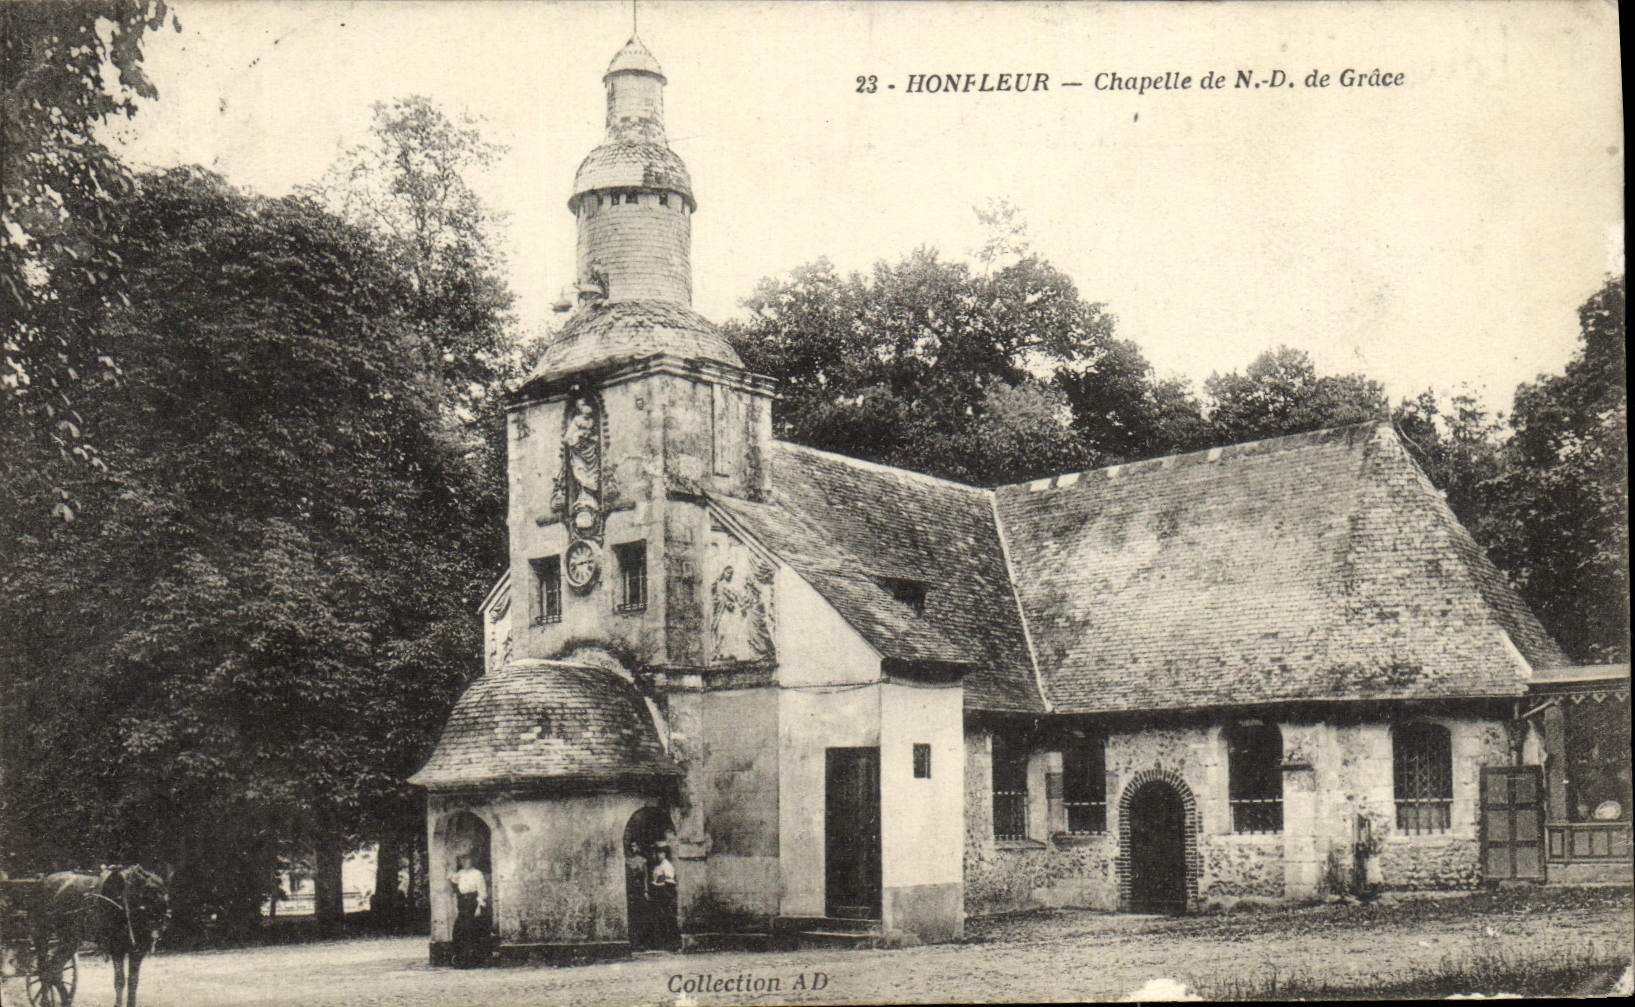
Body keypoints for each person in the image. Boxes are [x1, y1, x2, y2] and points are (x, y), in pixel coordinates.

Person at [449, 854, 489, 968]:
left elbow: (482, 892)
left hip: (472, 903)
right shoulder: (460, 874)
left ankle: (472, 960)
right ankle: (460, 958)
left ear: (472, 860)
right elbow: (453, 883)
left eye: (468, 859)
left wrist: (478, 907)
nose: (466, 862)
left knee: (471, 930)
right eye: (463, 860)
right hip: (462, 903)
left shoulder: (477, 874)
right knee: (459, 930)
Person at [648, 844, 679, 951]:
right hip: (658, 895)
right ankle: (663, 943)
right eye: (657, 853)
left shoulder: (667, 866)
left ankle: (673, 944)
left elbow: (669, 883)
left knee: (669, 919)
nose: (658, 855)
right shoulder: (658, 866)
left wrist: (665, 893)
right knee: (660, 919)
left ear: (664, 854)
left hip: (665, 896)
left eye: (660, 853)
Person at [624, 841, 650, 948]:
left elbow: (646, 877)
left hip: (640, 891)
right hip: (631, 892)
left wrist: (646, 891)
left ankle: (641, 943)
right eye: (632, 846)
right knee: (632, 917)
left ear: (639, 847)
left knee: (642, 917)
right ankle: (633, 942)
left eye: (635, 845)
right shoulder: (627, 861)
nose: (633, 848)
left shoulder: (643, 861)